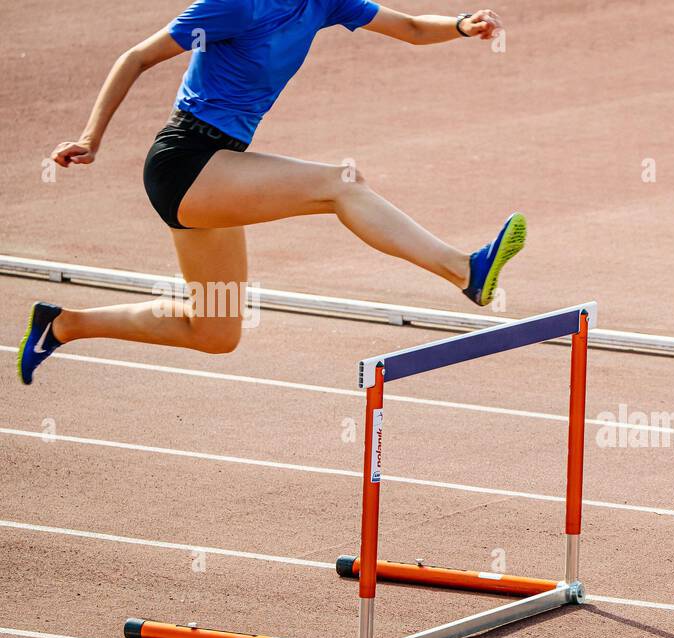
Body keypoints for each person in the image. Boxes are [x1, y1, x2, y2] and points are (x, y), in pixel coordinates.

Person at [19, 1, 524, 385]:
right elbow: (137, 57)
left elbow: (410, 29)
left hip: (222, 168)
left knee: (214, 331)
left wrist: (461, 26)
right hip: (185, 162)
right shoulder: (235, 5)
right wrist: (90, 139)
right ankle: (466, 270)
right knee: (339, 184)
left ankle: (62, 325)